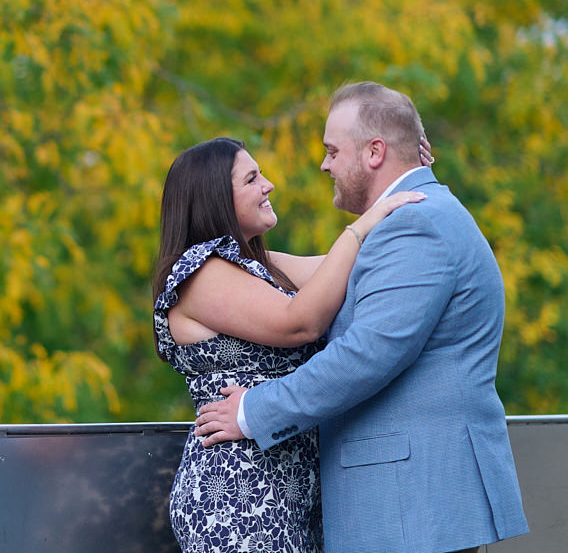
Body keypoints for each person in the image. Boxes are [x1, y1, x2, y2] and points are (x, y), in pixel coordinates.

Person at [193, 82, 530, 553]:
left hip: (411, 507)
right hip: (408, 505)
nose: (324, 164)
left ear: (374, 152)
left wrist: (253, 411)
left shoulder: (415, 224)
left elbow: (366, 355)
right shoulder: (413, 217)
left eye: (333, 151)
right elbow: (310, 275)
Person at [153, 136, 428, 552]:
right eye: (252, 178)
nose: (269, 185)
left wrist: (411, 175)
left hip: (289, 492)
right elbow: (298, 323)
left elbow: (358, 269)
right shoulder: (200, 274)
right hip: (238, 497)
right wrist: (360, 225)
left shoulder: (259, 266)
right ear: (215, 199)